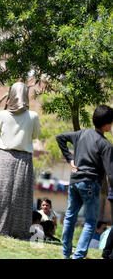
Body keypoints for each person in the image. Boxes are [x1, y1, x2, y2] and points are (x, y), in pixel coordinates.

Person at [0, 82, 41, 239]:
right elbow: (36, 135)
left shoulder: (2, 114)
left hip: (3, 156)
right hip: (24, 158)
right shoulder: (33, 116)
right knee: (21, 197)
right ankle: (18, 231)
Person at [56, 104, 113, 259]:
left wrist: (70, 159)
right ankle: (78, 255)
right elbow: (111, 173)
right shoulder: (106, 145)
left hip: (74, 181)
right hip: (90, 184)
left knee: (70, 216)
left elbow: (60, 138)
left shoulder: (81, 134)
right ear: (107, 124)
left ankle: (66, 253)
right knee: (90, 222)